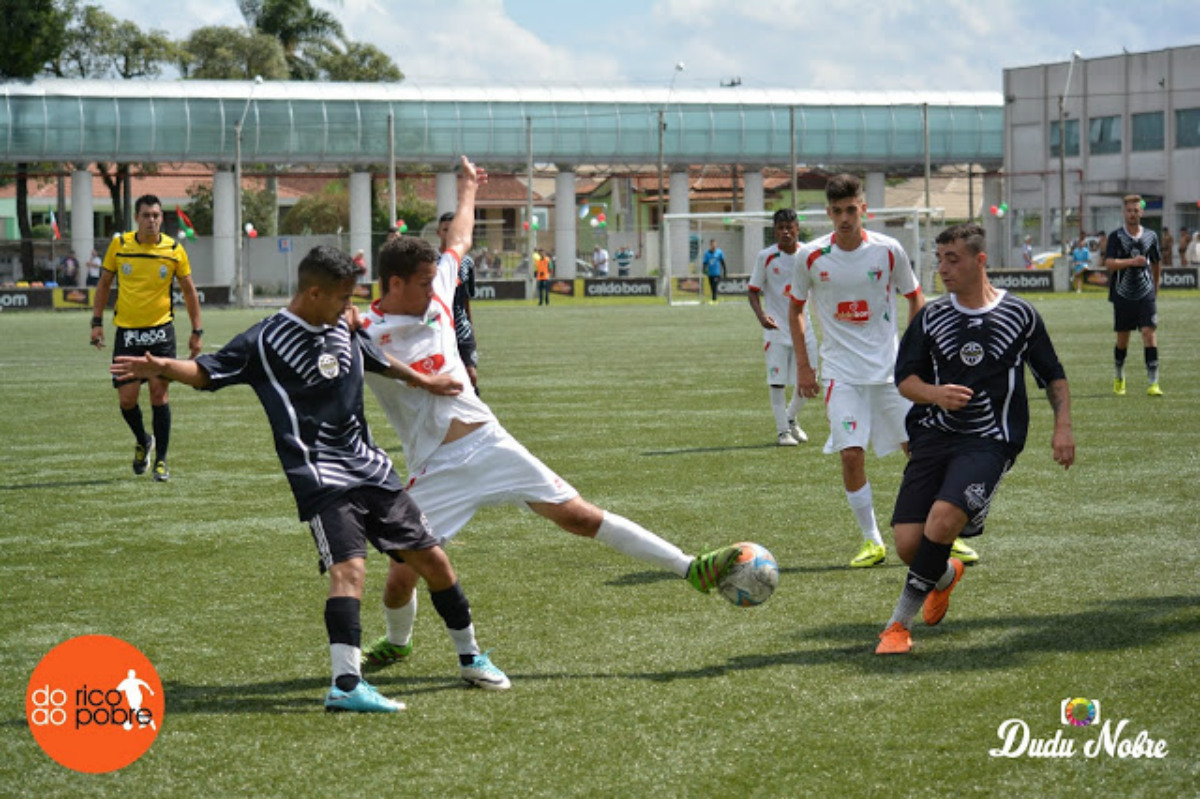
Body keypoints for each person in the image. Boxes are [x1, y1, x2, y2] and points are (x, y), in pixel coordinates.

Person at [355, 156, 742, 669]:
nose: (436, 289)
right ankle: (398, 642)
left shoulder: (440, 294)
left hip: (490, 443)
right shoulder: (362, 333)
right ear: (393, 284)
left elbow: (460, 243)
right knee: (402, 572)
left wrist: (469, 188)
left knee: (577, 516)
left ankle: (689, 567)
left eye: (435, 280)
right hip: (436, 466)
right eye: (424, 283)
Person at [110, 244, 510, 712]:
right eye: (342, 299)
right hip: (321, 474)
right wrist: (163, 368)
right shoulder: (266, 339)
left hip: (371, 467)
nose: (349, 308)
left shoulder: (342, 323)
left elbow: (375, 360)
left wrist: (426, 382)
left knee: (435, 562)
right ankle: (345, 685)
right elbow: (206, 372)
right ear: (314, 292)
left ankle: (470, 657)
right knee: (350, 570)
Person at [875, 223, 1074, 655]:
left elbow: (1052, 374)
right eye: (939, 260)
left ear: (979, 261)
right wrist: (936, 395)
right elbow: (904, 379)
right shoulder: (931, 316)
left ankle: (896, 625)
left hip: (991, 439)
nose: (942, 269)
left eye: (953, 259)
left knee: (942, 521)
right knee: (911, 544)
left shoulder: (1019, 315)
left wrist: (1063, 428)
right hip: (933, 436)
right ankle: (944, 576)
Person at [787, 174, 978, 569]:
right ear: (828, 213)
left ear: (863, 210)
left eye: (851, 210)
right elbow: (795, 308)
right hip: (841, 373)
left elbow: (915, 297)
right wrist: (805, 367)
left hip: (892, 373)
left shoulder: (888, 251)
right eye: (837, 211)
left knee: (920, 452)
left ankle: (943, 535)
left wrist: (916, 352)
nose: (844, 218)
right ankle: (871, 540)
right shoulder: (810, 257)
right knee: (852, 455)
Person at [90, 194, 203, 483]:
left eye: (156, 215)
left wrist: (196, 331)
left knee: (158, 394)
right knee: (127, 400)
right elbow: (104, 283)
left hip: (160, 332)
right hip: (127, 334)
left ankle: (162, 461)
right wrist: (96, 322)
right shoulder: (120, 245)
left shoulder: (174, 250)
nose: (151, 220)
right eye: (145, 215)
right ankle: (144, 440)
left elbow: (189, 292)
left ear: (161, 218)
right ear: (136, 218)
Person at [748, 209, 817, 446]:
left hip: (804, 329)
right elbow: (753, 290)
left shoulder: (809, 254)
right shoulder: (766, 257)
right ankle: (782, 432)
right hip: (776, 330)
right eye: (780, 228)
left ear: (797, 228)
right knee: (777, 381)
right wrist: (761, 316)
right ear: (774, 230)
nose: (785, 232)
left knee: (810, 380)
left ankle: (790, 418)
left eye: (790, 227)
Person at [1105, 194, 1163, 397]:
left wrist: (1156, 286)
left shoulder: (1151, 236)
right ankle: (1119, 375)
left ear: (1142, 212)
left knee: (1149, 333)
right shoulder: (1116, 236)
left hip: (1145, 293)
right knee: (1123, 339)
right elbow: (1110, 264)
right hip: (1122, 294)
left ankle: (1153, 382)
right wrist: (1131, 262)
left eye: (1136, 210)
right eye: (1129, 210)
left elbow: (1156, 262)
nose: (1133, 214)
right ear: (1124, 212)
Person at [436, 212, 480, 394]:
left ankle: (474, 408)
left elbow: (466, 299)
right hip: (439, 328)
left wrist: (470, 327)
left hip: (462, 328)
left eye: (452, 230)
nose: (448, 234)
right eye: (445, 230)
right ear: (438, 232)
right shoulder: (430, 261)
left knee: (471, 374)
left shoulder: (467, 262)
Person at [702, 239, 726, 303]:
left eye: (715, 244)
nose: (714, 246)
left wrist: (725, 271)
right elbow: (705, 263)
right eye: (712, 244)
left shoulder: (719, 252)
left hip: (717, 273)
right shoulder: (707, 253)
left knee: (715, 286)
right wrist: (704, 270)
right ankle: (714, 298)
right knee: (712, 287)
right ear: (710, 245)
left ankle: (714, 300)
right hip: (710, 274)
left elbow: (722, 262)